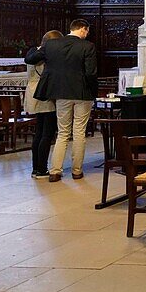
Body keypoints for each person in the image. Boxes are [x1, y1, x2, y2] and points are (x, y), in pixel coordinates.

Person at [26, 19, 97, 182]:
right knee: (79, 132)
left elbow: (30, 59)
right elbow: (91, 73)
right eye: (87, 31)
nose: (87, 35)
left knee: (62, 132)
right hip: (82, 94)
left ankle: (55, 171)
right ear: (83, 29)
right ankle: (77, 171)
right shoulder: (87, 46)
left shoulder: (52, 45)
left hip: (61, 94)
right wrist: (93, 93)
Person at [24, 30, 63, 179]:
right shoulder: (47, 54)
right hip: (45, 92)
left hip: (33, 92)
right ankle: (42, 168)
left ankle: (36, 168)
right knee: (47, 133)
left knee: (39, 132)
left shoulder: (33, 52)